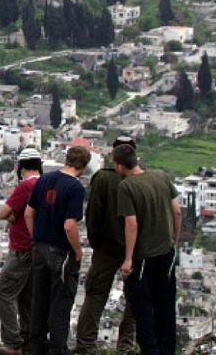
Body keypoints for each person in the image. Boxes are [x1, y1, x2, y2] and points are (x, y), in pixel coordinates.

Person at [115, 144, 181, 355]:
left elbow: (131, 224)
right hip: (167, 252)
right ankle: (167, 349)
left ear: (119, 166)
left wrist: (128, 259)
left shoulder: (127, 187)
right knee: (166, 305)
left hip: (144, 256)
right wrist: (174, 241)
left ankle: (150, 351)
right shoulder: (161, 176)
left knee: (143, 309)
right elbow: (177, 212)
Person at [24, 146, 91, 355]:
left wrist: (37, 238)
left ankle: (36, 347)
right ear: (84, 166)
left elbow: (28, 213)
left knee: (39, 302)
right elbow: (69, 225)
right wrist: (78, 251)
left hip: (40, 249)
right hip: (61, 253)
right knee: (60, 305)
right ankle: (57, 349)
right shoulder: (75, 188)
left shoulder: (44, 179)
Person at [76, 137, 137, 354]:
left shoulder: (102, 179)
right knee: (134, 298)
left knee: (95, 294)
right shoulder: (141, 179)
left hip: (106, 247)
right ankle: (125, 345)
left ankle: (85, 344)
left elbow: (93, 213)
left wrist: (96, 241)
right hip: (135, 249)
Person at [0, 148, 42, 355]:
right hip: (37, 248)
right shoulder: (45, 183)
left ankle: (12, 343)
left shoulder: (26, 186)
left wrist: (12, 216)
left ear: (21, 167)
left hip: (22, 247)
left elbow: (2, 213)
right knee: (26, 297)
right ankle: (28, 341)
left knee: (3, 293)